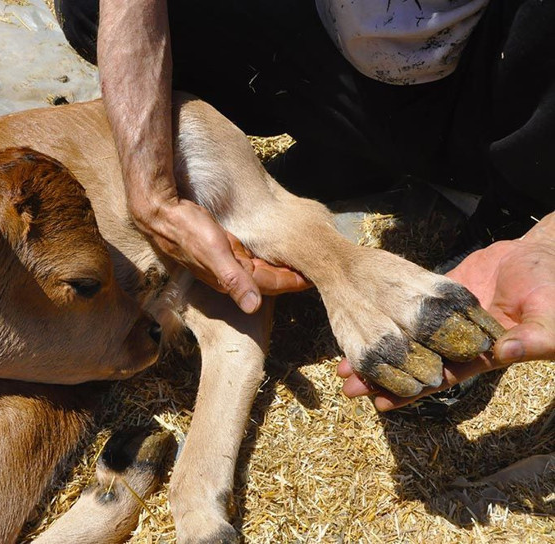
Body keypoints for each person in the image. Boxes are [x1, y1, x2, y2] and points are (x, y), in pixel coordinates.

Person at [53, 0, 555, 408]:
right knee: (88, 8)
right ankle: (357, 141)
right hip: (347, 66)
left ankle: (516, 203)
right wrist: (152, 197)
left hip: (491, 77)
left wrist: (548, 234)